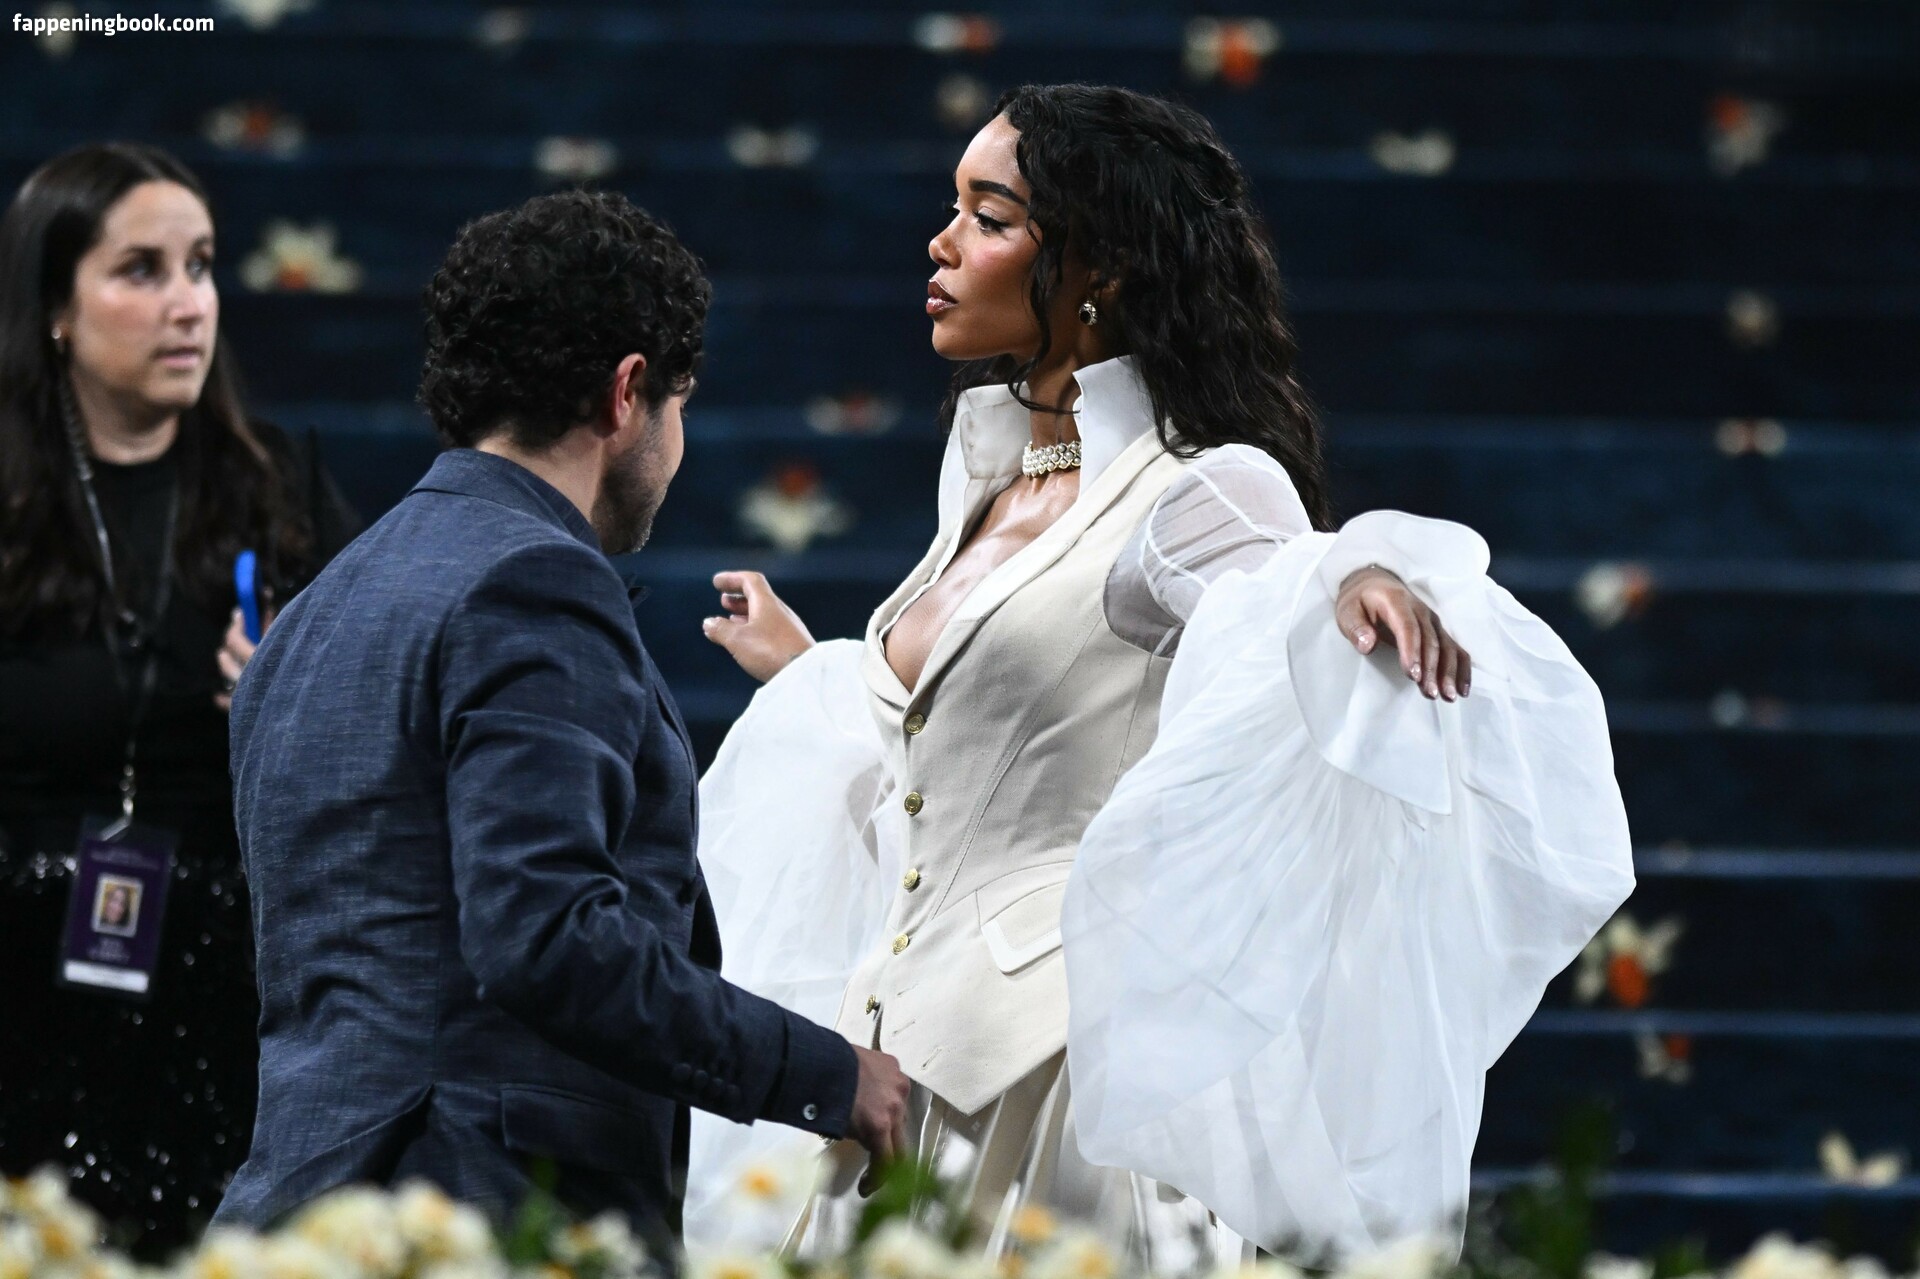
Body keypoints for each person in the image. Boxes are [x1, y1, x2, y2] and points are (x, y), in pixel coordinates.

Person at [689, 85, 1634, 1263]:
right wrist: (808, 672)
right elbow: (951, 764)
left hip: (1057, 1081)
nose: (942, 242)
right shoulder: (989, 481)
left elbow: (1280, 579)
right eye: (953, 207)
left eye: (991, 216)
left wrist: (1357, 578)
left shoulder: (1193, 486)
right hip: (895, 1075)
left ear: (1103, 266)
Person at [214, 191, 912, 1247]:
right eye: (679, 405)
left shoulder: (313, 612)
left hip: (299, 1218)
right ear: (627, 392)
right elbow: (547, 935)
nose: (677, 445)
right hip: (480, 1217)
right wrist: (826, 1071)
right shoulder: (536, 578)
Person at [0, 142, 360, 1254]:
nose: (188, 303)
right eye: (141, 270)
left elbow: (392, 755)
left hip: (226, 1006)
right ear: (54, 309)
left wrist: (295, 713)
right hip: (18, 997)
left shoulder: (282, 494)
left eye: (200, 266)